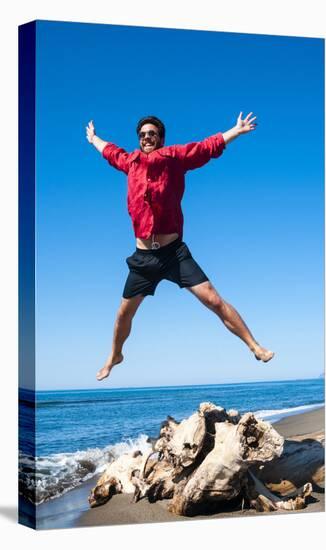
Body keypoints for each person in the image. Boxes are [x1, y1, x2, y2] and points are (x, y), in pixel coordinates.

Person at [86, 113, 274, 381]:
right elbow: (109, 151)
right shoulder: (130, 162)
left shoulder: (175, 157)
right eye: (142, 135)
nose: (146, 138)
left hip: (174, 253)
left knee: (213, 299)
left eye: (151, 134)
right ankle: (115, 355)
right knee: (122, 315)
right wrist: (93, 138)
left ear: (160, 138)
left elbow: (206, 147)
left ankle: (255, 346)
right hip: (143, 258)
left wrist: (235, 131)